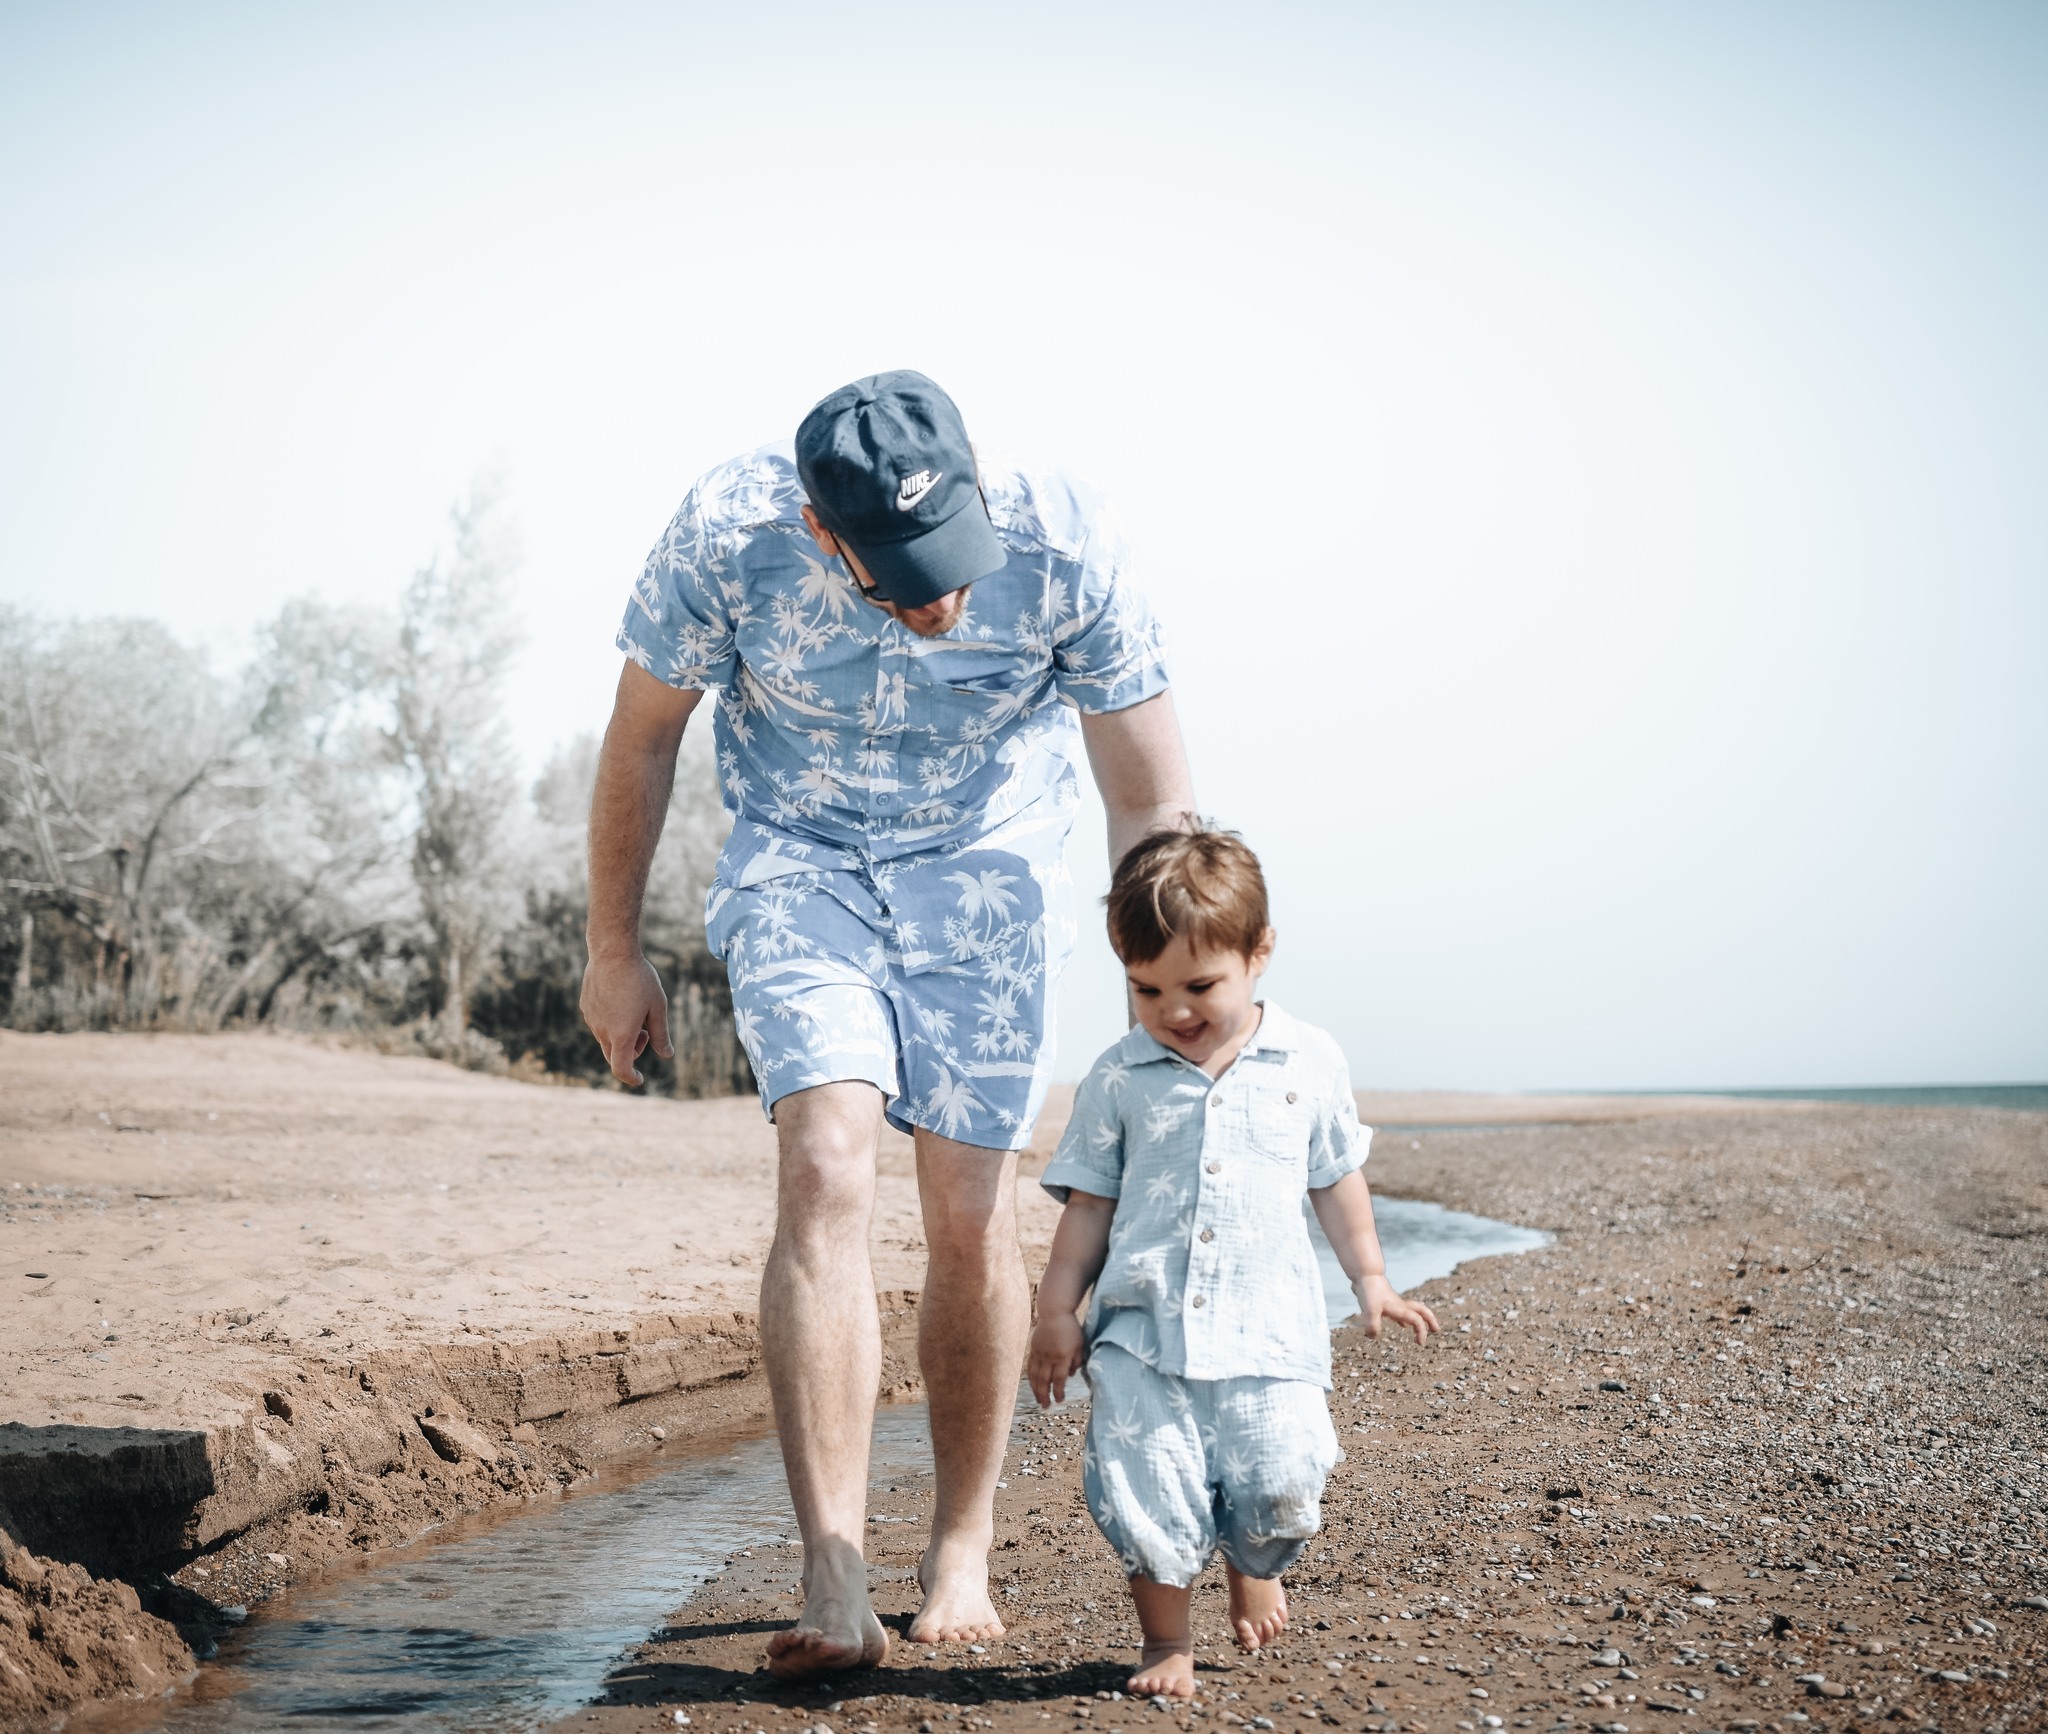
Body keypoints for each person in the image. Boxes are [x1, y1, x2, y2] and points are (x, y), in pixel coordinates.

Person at [580, 371, 1196, 1678]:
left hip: (992, 874)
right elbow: (642, 737)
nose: (943, 603)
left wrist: (1173, 995)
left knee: (971, 1207)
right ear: (823, 532)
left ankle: (960, 1546)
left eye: (955, 561)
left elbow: (1147, 792)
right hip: (801, 867)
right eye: (904, 579)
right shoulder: (726, 535)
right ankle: (835, 1567)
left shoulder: (1068, 538)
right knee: (827, 1162)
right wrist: (613, 950)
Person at [1028, 828, 1439, 1699]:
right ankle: (1165, 1641)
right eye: (1146, 989)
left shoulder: (1310, 1061)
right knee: (1149, 1494)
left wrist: (1371, 1280)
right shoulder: (1119, 1077)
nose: (1173, 1009)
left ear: (1260, 955)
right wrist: (1056, 1311)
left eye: (1199, 985)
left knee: (1281, 1481)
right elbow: (1091, 1207)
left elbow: (1335, 1178)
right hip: (1145, 1339)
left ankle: (1254, 1559)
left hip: (1271, 1334)